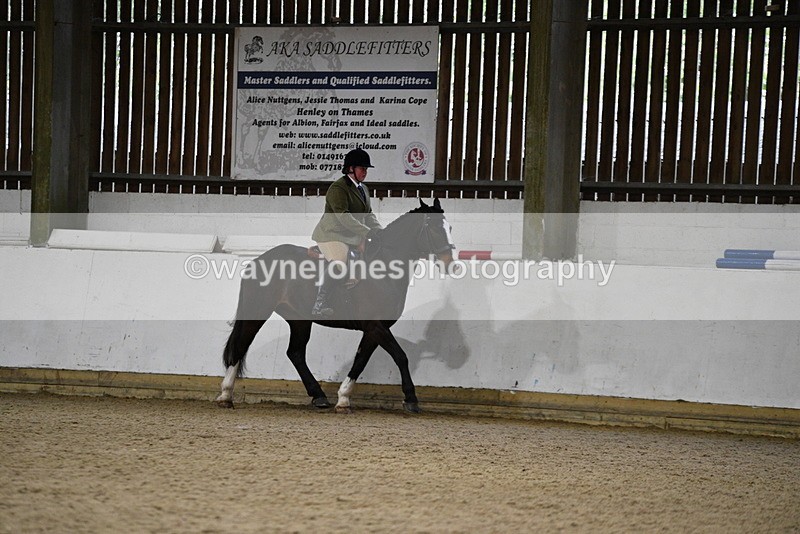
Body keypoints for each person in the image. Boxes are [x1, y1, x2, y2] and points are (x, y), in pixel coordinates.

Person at [311, 148, 383, 318]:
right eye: (361, 168)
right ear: (350, 168)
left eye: (366, 169)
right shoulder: (338, 188)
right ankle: (320, 303)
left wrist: (380, 232)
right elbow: (343, 217)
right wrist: (367, 232)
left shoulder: (363, 189)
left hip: (352, 236)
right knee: (340, 262)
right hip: (332, 235)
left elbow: (369, 214)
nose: (365, 172)